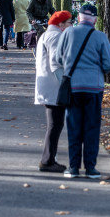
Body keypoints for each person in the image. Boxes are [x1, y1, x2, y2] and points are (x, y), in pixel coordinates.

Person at [57, 3, 110, 179]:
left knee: (74, 126)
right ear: (95, 20)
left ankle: (73, 167)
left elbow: (57, 57)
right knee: (92, 127)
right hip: (94, 88)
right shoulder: (100, 37)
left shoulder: (68, 33)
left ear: (78, 18)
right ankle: (91, 168)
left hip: (73, 87)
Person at [35, 10, 73, 172]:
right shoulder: (56, 37)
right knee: (55, 124)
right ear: (61, 24)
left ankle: (49, 158)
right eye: (69, 22)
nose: (71, 25)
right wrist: (66, 84)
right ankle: (48, 160)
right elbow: (56, 64)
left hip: (48, 85)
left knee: (55, 124)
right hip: (54, 87)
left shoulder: (47, 35)